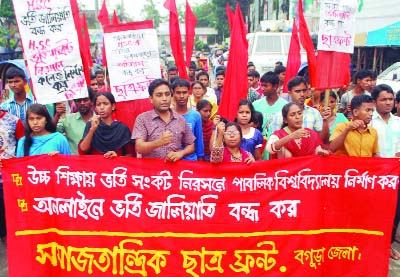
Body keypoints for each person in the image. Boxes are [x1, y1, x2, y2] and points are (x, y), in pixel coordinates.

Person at [369, 84, 400, 259]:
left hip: (396, 173)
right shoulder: (369, 121)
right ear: (374, 102)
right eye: (383, 99)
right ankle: (373, 243)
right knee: (375, 211)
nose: (388, 103)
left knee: (395, 210)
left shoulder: (398, 122)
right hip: (376, 175)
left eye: (391, 99)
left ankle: (387, 244)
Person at [132, 79, 195, 161]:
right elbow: (139, 147)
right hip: (151, 171)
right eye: (159, 95)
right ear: (151, 99)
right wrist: (159, 142)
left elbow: (191, 145)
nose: (164, 98)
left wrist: (181, 153)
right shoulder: (142, 119)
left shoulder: (180, 119)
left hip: (175, 170)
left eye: (167, 94)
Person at [270, 76, 331, 143]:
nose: (302, 94)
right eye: (298, 91)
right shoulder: (279, 116)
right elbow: (274, 143)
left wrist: (325, 120)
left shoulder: (315, 113)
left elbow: (322, 140)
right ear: (290, 93)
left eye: (304, 90)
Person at [79, 92, 133, 157]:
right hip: (95, 165)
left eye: (105, 104)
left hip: (116, 166)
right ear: (95, 108)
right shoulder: (91, 124)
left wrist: (117, 157)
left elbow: (130, 154)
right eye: (98, 105)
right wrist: (92, 130)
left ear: (113, 106)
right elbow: (83, 150)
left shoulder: (122, 128)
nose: (102, 107)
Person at [0, 109, 24, 243]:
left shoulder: (14, 121)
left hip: (9, 176)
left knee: (10, 208)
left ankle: (10, 237)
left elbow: (21, 145)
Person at [171, 78, 204, 161]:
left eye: (184, 92)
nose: (181, 96)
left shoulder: (196, 115)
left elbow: (198, 140)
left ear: (189, 93)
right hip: (172, 160)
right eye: (178, 93)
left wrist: (200, 159)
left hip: (191, 160)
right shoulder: (168, 114)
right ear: (173, 93)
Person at [57, 89, 94, 154]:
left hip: (96, 162)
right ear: (74, 102)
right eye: (79, 100)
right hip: (75, 162)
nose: (82, 103)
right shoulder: (67, 119)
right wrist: (57, 115)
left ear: (92, 101)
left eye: (85, 100)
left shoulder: (100, 119)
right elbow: (51, 132)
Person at [253, 73, 288, 139]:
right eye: (262, 85)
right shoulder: (255, 105)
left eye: (265, 86)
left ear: (275, 86)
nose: (262, 89)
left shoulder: (286, 106)